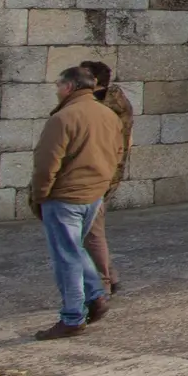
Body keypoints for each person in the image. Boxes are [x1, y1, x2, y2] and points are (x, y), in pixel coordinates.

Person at [30, 66, 124, 340]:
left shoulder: (63, 118)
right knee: (75, 249)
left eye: (59, 86)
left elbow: (46, 163)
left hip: (65, 195)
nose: (57, 91)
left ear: (69, 87)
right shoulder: (109, 114)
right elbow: (117, 153)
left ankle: (72, 316)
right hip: (93, 193)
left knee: (66, 256)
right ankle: (94, 295)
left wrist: (40, 195)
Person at [78, 60, 133, 294]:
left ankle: (104, 282)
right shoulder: (98, 105)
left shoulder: (107, 110)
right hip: (94, 173)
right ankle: (109, 276)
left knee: (92, 230)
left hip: (99, 174)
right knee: (89, 229)